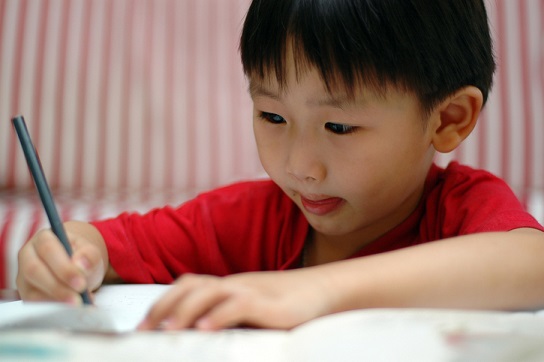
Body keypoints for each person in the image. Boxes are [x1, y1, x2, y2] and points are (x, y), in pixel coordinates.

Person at [17, 0, 544, 331]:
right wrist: (67, 256)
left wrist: (316, 289)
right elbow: (110, 245)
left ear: (448, 119)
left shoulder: (459, 209)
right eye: (272, 115)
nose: (299, 168)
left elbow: (531, 263)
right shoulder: (255, 218)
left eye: (339, 127)